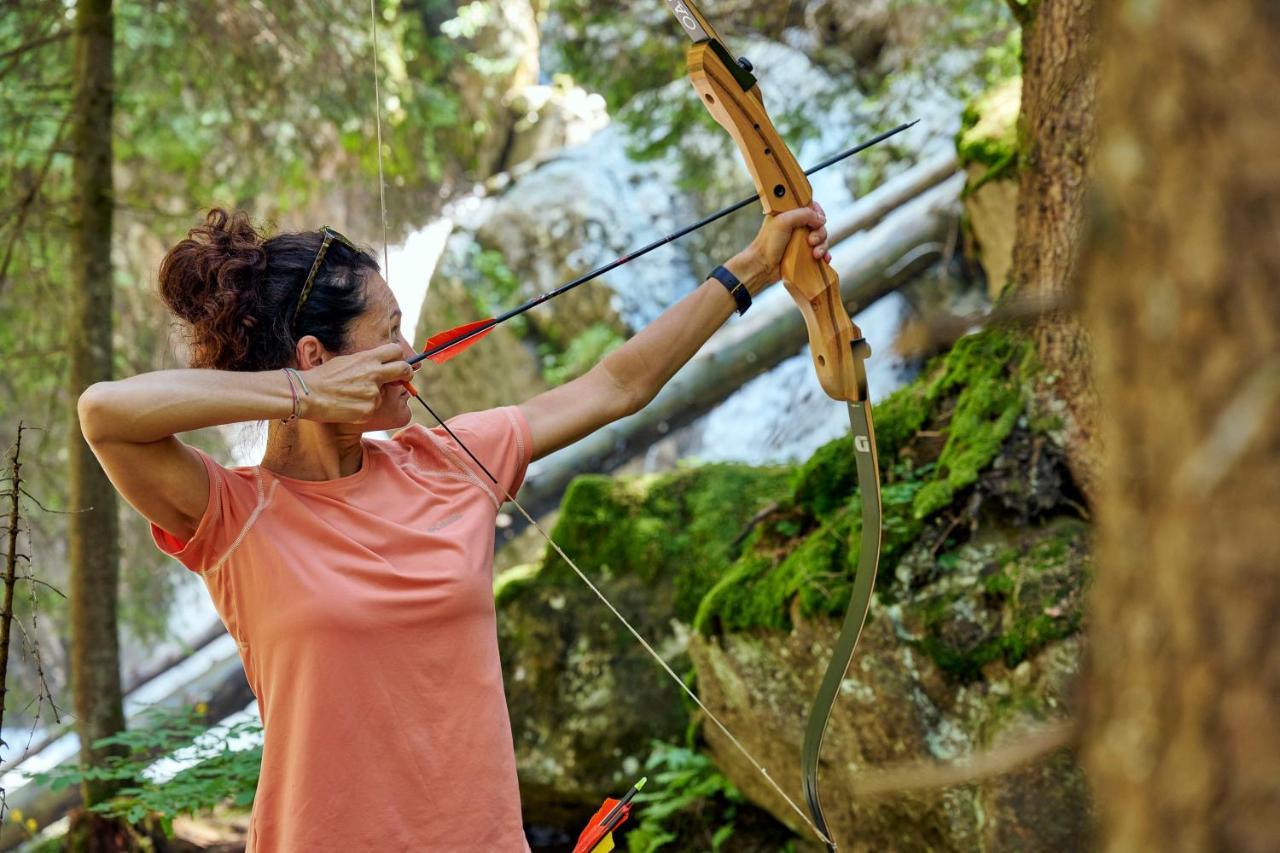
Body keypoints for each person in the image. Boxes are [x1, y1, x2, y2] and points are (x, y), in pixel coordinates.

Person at [77, 203, 831, 851]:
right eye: (391, 332)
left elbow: (618, 383)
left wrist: (754, 267)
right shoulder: (229, 515)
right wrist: (299, 394)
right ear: (317, 357)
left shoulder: (449, 461)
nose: (412, 354)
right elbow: (103, 413)